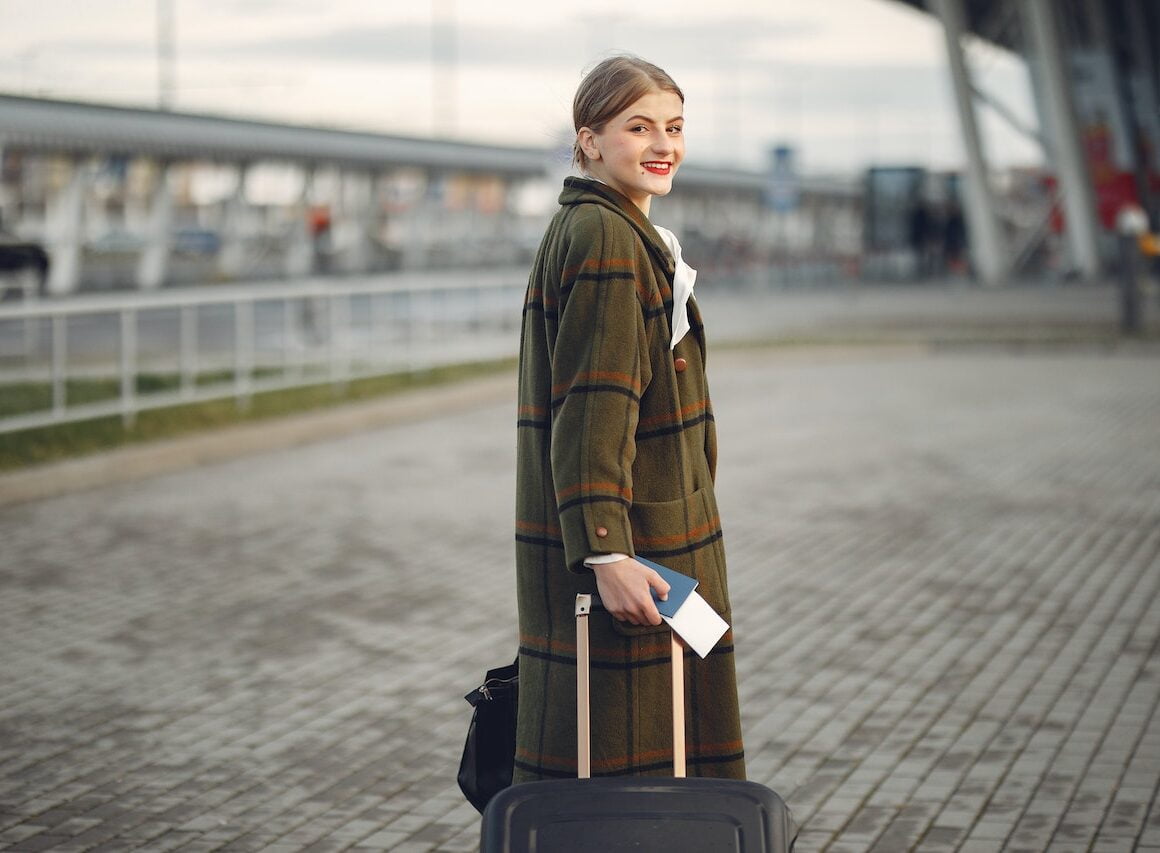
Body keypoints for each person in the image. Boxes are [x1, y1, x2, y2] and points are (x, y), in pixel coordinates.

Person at [513, 55, 746, 781]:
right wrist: (607, 553)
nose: (662, 145)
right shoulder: (609, 239)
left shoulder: (609, 229)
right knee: (631, 777)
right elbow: (593, 407)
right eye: (638, 127)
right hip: (639, 548)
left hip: (652, 538)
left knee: (637, 763)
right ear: (588, 140)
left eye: (674, 128)